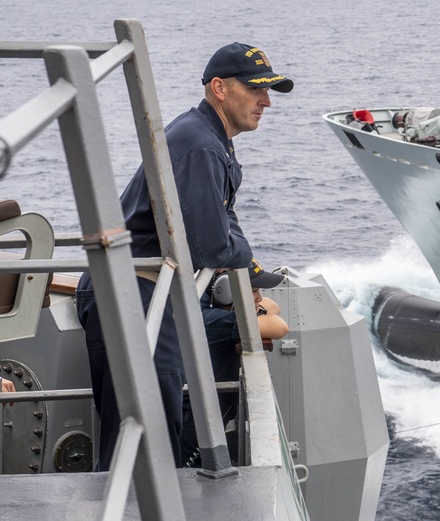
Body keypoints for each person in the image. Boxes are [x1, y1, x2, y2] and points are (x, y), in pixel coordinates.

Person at [75, 42, 294, 470]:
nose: (266, 101)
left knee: (146, 430)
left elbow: (221, 220)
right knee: (143, 437)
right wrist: (242, 257)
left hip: (142, 293)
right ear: (220, 88)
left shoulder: (209, 138)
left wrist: (248, 270)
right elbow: (211, 243)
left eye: (268, 92)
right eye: (256, 90)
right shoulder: (201, 146)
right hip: (134, 296)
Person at [179, 258, 289, 467]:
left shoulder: (212, 305)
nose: (259, 298)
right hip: (191, 425)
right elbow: (279, 326)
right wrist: (255, 312)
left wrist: (252, 307)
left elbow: (273, 307)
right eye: (254, 291)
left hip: (200, 416)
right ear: (226, 291)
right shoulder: (215, 319)